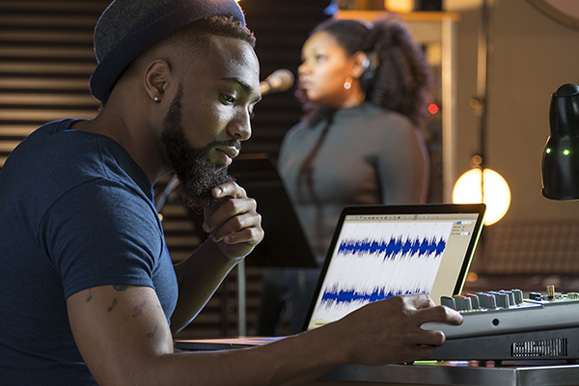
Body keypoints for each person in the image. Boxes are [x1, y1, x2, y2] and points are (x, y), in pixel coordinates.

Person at [0, 1, 461, 385]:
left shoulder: (64, 148)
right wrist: (342, 340)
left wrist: (220, 252)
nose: (243, 129)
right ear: (158, 82)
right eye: (227, 97)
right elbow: (138, 375)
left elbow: (148, 320)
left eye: (250, 105)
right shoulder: (98, 193)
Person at [261, 16, 433, 335]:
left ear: (357, 65)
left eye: (320, 58)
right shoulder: (298, 137)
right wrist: (264, 324)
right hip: (296, 308)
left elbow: (407, 238)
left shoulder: (393, 132)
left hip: (358, 307)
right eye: (304, 60)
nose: (304, 69)